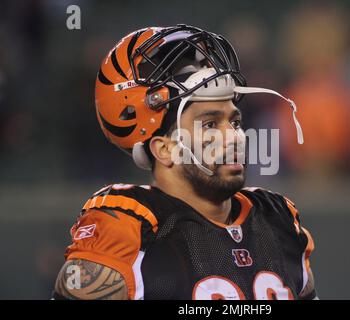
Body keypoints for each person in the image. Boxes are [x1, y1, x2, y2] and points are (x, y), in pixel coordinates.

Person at [52, 24, 316, 300]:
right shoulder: (130, 230)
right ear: (164, 149)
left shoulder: (277, 219)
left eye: (235, 121)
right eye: (210, 124)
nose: (234, 137)